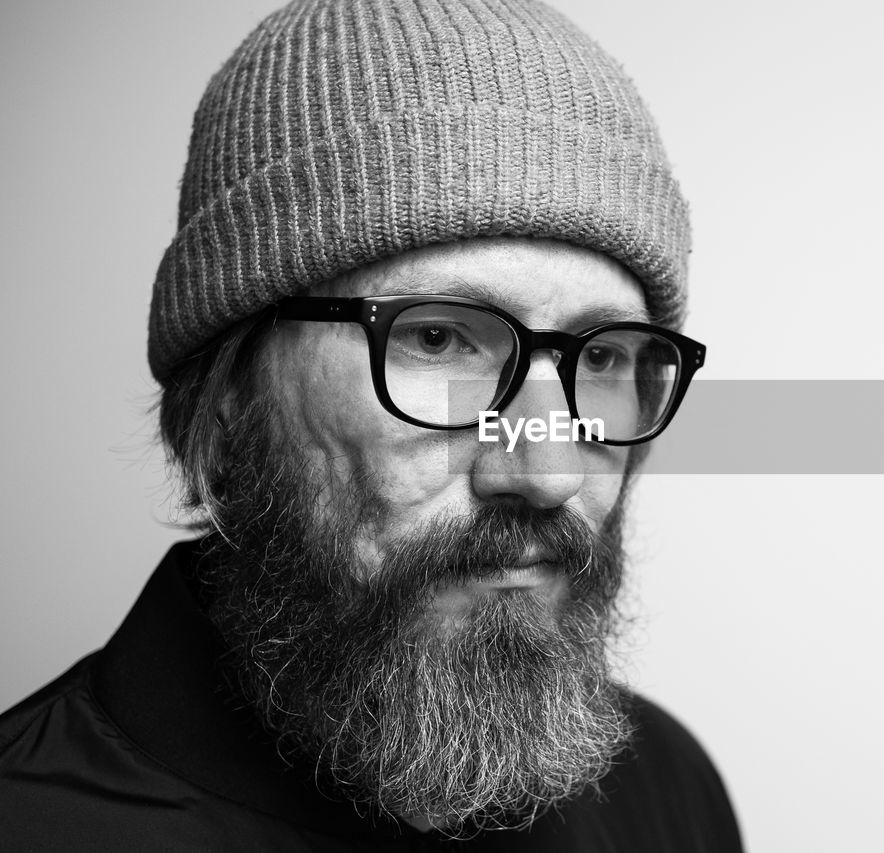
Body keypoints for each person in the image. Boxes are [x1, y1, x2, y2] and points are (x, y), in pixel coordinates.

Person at [0, 0, 742, 849]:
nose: (547, 470)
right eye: (438, 338)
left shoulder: (664, 794)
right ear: (228, 392)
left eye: (603, 358)